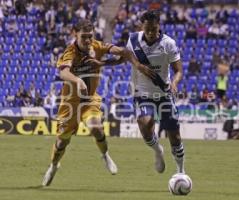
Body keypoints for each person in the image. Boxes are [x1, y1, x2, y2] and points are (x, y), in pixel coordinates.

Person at [42, 19, 150, 186]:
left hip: (90, 100)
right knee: (63, 141)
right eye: (83, 36)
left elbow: (125, 53)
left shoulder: (97, 47)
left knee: (96, 129)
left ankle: (105, 155)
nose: (87, 40)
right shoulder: (70, 52)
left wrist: (105, 62)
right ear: (74, 33)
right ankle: (54, 165)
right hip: (69, 105)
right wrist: (78, 81)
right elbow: (63, 73)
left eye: (90, 36)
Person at [126, 10, 186, 174]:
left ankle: (180, 171)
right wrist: (137, 65)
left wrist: (174, 82)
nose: (151, 33)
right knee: (145, 123)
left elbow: (179, 70)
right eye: (148, 29)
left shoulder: (169, 44)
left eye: (154, 29)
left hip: (164, 94)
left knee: (175, 136)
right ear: (142, 27)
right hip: (143, 94)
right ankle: (158, 150)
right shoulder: (133, 40)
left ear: (159, 26)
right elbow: (126, 55)